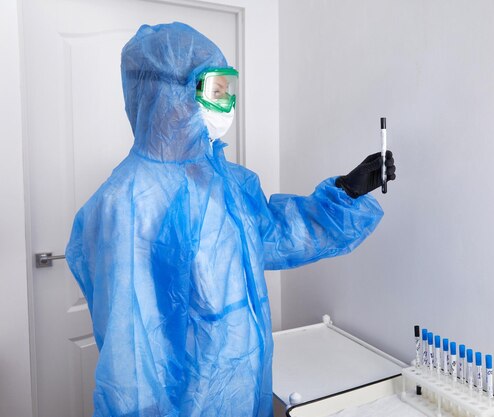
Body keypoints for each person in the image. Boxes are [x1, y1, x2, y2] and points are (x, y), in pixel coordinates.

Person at [66, 22, 396, 417]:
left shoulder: (224, 181)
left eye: (227, 91)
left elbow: (276, 236)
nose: (225, 105)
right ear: (166, 93)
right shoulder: (125, 204)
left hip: (243, 392)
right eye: (214, 91)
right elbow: (131, 366)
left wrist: (346, 192)